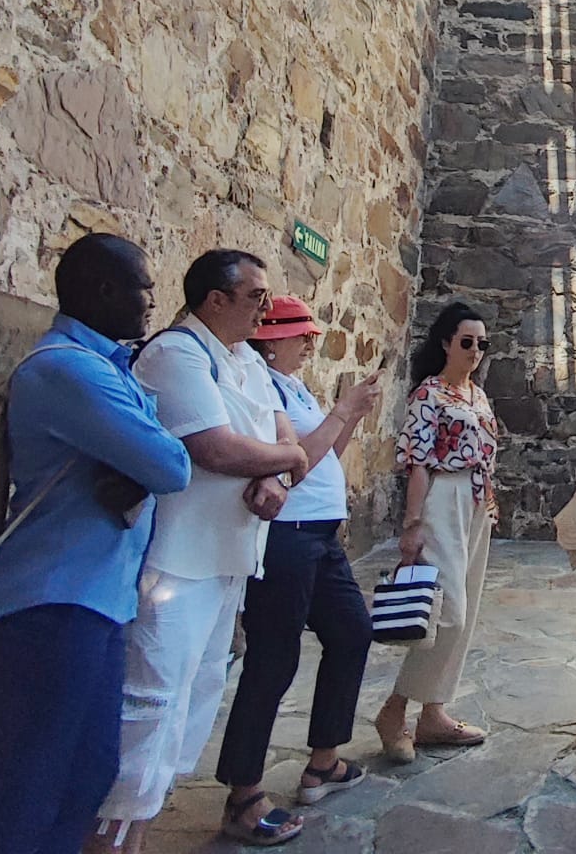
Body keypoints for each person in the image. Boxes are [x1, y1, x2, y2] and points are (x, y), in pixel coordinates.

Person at [0, 234, 190, 854]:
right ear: (104, 289)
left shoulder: (101, 365)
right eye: (143, 286)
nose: (151, 300)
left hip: (95, 603)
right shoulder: (68, 368)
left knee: (84, 777)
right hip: (50, 605)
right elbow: (172, 465)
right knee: (25, 791)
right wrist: (147, 455)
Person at [91, 250, 308, 852]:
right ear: (216, 299)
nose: (266, 307)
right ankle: (111, 837)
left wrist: (279, 473)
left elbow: (279, 428)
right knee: (151, 700)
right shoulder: (176, 354)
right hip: (177, 560)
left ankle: (140, 830)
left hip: (229, 558)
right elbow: (215, 449)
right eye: (255, 295)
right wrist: (286, 463)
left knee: (195, 693)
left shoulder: (244, 360)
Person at [213, 297, 384, 815]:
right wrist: (342, 409)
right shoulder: (260, 387)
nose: (311, 343)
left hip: (319, 536)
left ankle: (323, 762)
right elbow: (297, 465)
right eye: (300, 334)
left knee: (352, 630)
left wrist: (350, 415)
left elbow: (323, 452)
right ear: (271, 339)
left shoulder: (292, 387)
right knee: (274, 656)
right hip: (287, 535)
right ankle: (243, 792)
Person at [375, 301, 499, 762]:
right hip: (442, 499)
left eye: (482, 343)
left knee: (463, 611)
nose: (475, 351)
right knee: (449, 611)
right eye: (466, 342)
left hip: (476, 505)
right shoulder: (429, 394)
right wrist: (412, 524)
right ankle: (395, 710)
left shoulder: (477, 396)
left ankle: (433, 714)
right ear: (446, 343)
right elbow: (418, 463)